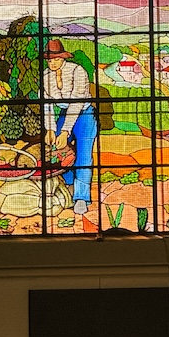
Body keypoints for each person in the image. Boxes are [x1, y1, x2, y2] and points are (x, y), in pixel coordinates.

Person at [43, 39, 97, 216]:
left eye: (56, 59)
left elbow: (76, 102)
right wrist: (50, 129)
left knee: (83, 155)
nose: (52, 63)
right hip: (65, 114)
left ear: (63, 57)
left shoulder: (77, 71)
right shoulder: (46, 76)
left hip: (85, 113)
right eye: (49, 60)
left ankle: (81, 197)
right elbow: (47, 105)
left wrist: (65, 131)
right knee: (58, 151)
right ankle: (67, 186)